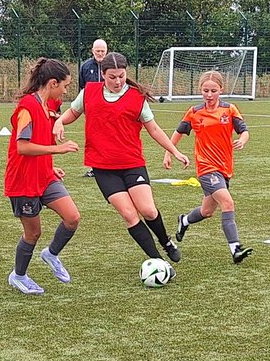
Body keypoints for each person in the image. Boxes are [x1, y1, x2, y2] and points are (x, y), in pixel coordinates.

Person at [56, 51, 190, 269]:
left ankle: (166, 241)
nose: (118, 81)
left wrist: (175, 151)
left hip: (132, 163)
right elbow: (72, 112)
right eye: (112, 77)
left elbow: (154, 129)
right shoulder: (89, 92)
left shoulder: (136, 97)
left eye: (121, 76)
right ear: (103, 74)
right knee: (129, 215)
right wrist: (60, 121)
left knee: (148, 210)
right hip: (103, 167)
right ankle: (158, 261)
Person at [4, 58, 82, 295]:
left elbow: (39, 145)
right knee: (33, 233)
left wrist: (51, 165)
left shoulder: (47, 105)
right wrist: (57, 149)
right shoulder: (27, 107)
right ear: (52, 83)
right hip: (23, 181)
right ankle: (18, 276)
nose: (66, 91)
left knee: (72, 217)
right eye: (65, 86)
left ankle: (51, 254)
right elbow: (23, 147)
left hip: (44, 176)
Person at [163, 70, 253, 264]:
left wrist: (242, 140)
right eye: (205, 90)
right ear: (200, 90)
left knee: (207, 211)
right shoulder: (194, 112)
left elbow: (244, 130)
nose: (209, 95)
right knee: (227, 203)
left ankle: (184, 221)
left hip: (224, 168)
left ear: (221, 89)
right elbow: (178, 132)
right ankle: (235, 249)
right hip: (206, 168)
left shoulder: (229, 110)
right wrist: (168, 153)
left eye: (213, 90)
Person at [78, 39, 107, 176]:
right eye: (98, 51)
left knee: (109, 135)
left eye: (102, 51)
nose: (100, 53)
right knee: (93, 137)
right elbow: (82, 88)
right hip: (92, 108)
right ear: (92, 51)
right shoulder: (85, 66)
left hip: (109, 107)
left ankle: (109, 165)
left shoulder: (111, 65)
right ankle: (94, 168)